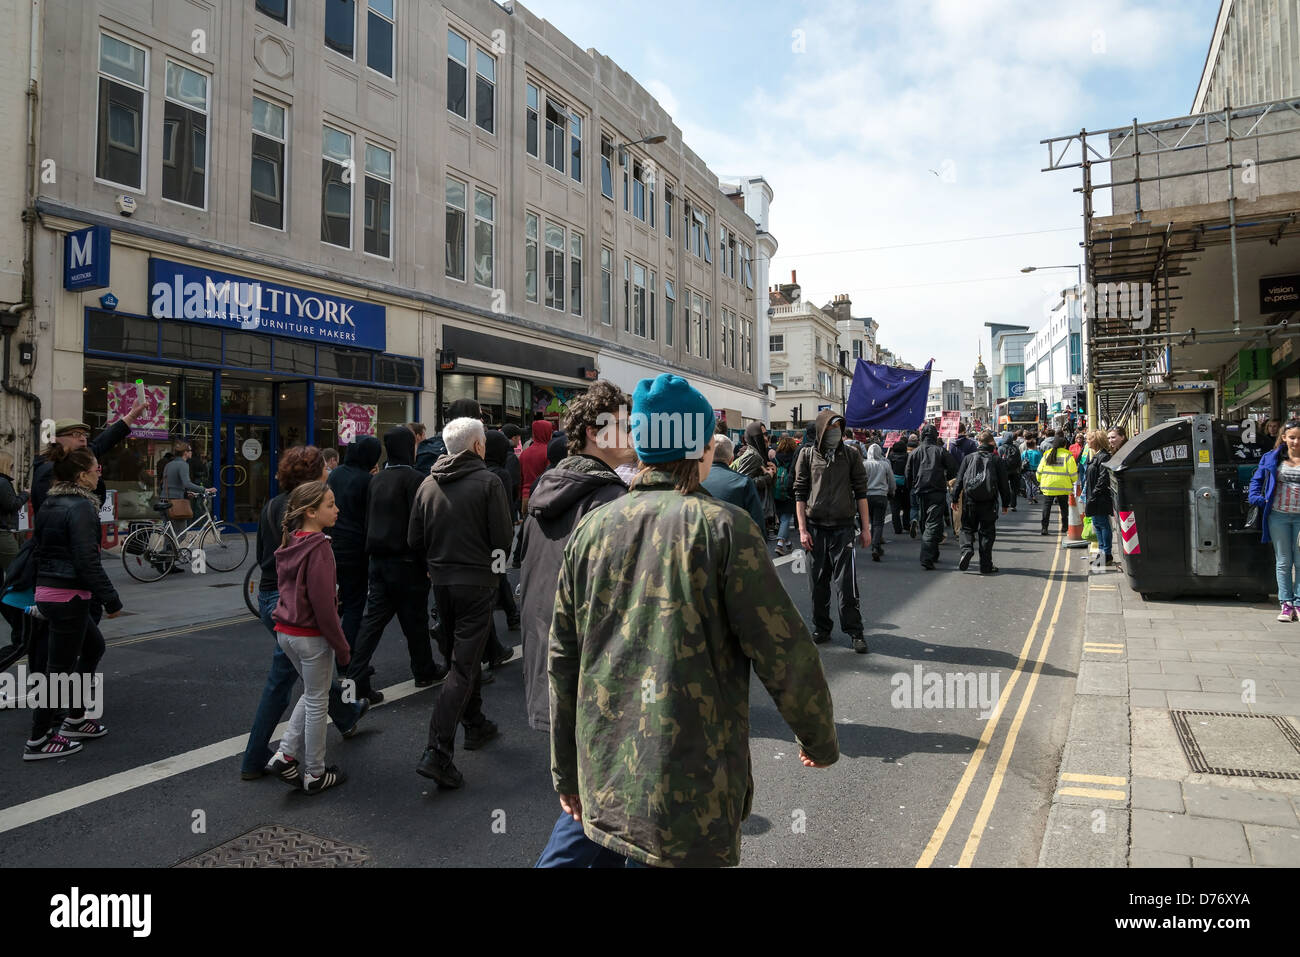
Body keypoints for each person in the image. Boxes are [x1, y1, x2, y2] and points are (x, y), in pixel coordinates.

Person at [548, 373, 839, 868]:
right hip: (693, 789)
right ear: (698, 449)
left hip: (606, 773)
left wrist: (565, 772)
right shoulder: (726, 529)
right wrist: (817, 737)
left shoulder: (594, 528)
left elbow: (563, 658)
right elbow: (783, 651)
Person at [240, 446, 367, 781]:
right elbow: (323, 601)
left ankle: (348, 713)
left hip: (275, 599)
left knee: (307, 678)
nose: (329, 472)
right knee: (288, 683)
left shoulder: (272, 506)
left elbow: (263, 557)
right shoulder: (312, 526)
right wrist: (342, 645)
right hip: (295, 605)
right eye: (324, 468)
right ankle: (276, 762)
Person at [411, 417, 514, 789]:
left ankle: (475, 723)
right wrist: (496, 573)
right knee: (462, 666)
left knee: (462, 658)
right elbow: (502, 537)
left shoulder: (427, 484)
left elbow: (415, 539)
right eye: (483, 441)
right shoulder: (488, 482)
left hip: (442, 581)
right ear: (477, 447)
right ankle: (437, 751)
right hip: (477, 581)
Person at [25, 446, 121, 760]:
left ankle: (75, 718)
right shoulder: (81, 507)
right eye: (96, 468)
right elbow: (86, 559)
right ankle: (39, 739)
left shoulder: (51, 502)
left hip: (51, 591)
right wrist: (111, 599)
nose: (100, 472)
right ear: (82, 475)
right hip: (69, 595)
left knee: (93, 648)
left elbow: (39, 549)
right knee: (58, 669)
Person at [263, 481, 351, 794]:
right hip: (311, 637)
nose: (336, 509)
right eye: (330, 504)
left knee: (313, 692)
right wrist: (342, 647)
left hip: (286, 632)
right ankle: (315, 772)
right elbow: (324, 607)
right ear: (311, 512)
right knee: (318, 701)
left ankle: (285, 755)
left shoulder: (292, 541)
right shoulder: (320, 548)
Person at [346, 427, 442, 703]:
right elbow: (421, 524)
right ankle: (423, 669)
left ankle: (355, 679)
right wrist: (427, 561)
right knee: (415, 619)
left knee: (372, 623)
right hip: (407, 560)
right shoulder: (415, 479)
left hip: (378, 560)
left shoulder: (376, 480)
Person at [794, 411, 871, 651]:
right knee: (817, 585)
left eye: (839, 427)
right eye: (831, 428)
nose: (836, 432)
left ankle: (855, 631)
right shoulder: (807, 455)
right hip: (815, 529)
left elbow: (861, 493)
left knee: (846, 586)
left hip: (843, 528)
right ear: (821, 431)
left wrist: (866, 529)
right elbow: (800, 492)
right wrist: (802, 530)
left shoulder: (851, 455)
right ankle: (821, 628)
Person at [325, 435, 382, 647]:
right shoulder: (367, 481)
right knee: (354, 606)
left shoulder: (336, 473)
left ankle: (329, 644)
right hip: (356, 549)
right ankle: (346, 657)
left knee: (336, 600)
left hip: (331, 545)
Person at [1249, 419, 1300, 621]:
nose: (1296, 442)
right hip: (1278, 516)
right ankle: (1286, 604)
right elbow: (1257, 479)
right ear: (1284, 437)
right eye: (1293, 437)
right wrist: (1256, 498)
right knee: (1284, 561)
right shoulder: (1271, 458)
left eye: (1299, 438)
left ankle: (1298, 602)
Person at [953, 431, 1012, 575]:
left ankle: (967, 549)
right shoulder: (996, 460)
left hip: (970, 501)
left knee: (966, 528)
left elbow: (959, 480)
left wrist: (954, 498)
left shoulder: (968, 458)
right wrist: (1006, 503)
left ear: (979, 443)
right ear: (992, 443)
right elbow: (1004, 484)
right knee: (987, 533)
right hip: (988, 502)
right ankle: (986, 566)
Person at [906, 426, 957, 570]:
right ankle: (927, 557)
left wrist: (912, 487)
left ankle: (932, 553)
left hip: (921, 490)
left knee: (927, 522)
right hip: (936, 490)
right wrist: (946, 477)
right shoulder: (940, 450)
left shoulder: (915, 452)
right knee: (932, 523)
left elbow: (908, 474)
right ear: (935, 436)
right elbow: (953, 468)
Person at [701, 435, 764, 531]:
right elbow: (758, 524)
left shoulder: (693, 480)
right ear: (731, 459)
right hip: (735, 542)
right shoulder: (744, 482)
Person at [732, 422, 777, 537]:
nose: (766, 439)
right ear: (754, 438)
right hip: (752, 515)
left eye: (766, 434)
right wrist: (768, 477)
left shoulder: (759, 454)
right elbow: (741, 483)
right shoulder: (753, 455)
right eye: (762, 435)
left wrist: (772, 473)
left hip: (757, 512)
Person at [161, 441, 215, 534]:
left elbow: (171, 483)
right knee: (181, 534)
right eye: (190, 450)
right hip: (175, 503)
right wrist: (204, 490)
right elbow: (187, 484)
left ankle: (168, 549)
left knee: (170, 536)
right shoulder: (183, 465)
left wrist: (186, 493)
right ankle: (170, 549)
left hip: (163, 501)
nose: (191, 452)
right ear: (185, 452)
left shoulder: (169, 464)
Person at [414, 401, 482, 474]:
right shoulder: (458, 449)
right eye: (479, 416)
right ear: (469, 420)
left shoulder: (431, 445)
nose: (482, 420)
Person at [1083, 429, 1115, 567]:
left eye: (1089, 439)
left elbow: (1103, 478)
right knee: (1098, 525)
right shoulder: (1097, 456)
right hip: (1094, 497)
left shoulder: (1104, 457)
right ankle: (1101, 555)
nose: (1087, 441)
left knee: (1102, 525)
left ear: (1095, 441)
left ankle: (1106, 555)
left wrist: (1094, 495)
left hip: (1099, 498)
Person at [1037, 435, 1078, 536]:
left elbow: (1039, 472)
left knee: (1046, 507)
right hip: (1063, 486)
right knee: (1064, 507)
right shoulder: (1068, 456)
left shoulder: (1046, 455)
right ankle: (1064, 527)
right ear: (1064, 445)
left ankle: (1044, 528)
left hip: (1048, 486)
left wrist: (1040, 481)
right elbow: (1073, 474)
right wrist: (1073, 481)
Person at [862, 443, 894, 563]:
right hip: (881, 495)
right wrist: (892, 491)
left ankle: (874, 544)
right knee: (878, 522)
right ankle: (876, 545)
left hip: (867, 496)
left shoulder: (864, 464)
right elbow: (891, 480)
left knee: (871, 521)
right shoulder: (885, 464)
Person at [520, 418, 555, 512]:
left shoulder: (524, 453)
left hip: (526, 498)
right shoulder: (549, 452)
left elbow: (521, 478)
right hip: (542, 497)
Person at [773, 436, 799, 556]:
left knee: (782, 518)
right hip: (789, 491)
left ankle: (788, 543)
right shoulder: (795, 457)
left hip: (776, 491)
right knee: (786, 518)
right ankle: (780, 543)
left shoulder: (776, 458)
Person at [887, 435, 910, 536]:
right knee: (907, 506)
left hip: (893, 484)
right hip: (905, 484)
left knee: (894, 508)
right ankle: (906, 525)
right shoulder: (908, 457)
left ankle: (897, 528)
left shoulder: (890, 457)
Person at [997, 431, 1021, 511]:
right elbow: (1019, 461)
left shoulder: (1000, 448)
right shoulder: (1015, 448)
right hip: (1014, 471)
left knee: (1004, 487)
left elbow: (998, 460)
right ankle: (1013, 505)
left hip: (1004, 471)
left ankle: (1005, 504)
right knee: (1013, 488)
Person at [1022, 437, 1043, 503]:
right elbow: (1041, 462)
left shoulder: (1024, 453)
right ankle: (1034, 496)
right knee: (1035, 484)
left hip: (1026, 470)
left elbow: (1022, 461)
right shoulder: (1038, 453)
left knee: (1028, 485)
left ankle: (1029, 499)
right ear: (1034, 445)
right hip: (1035, 471)